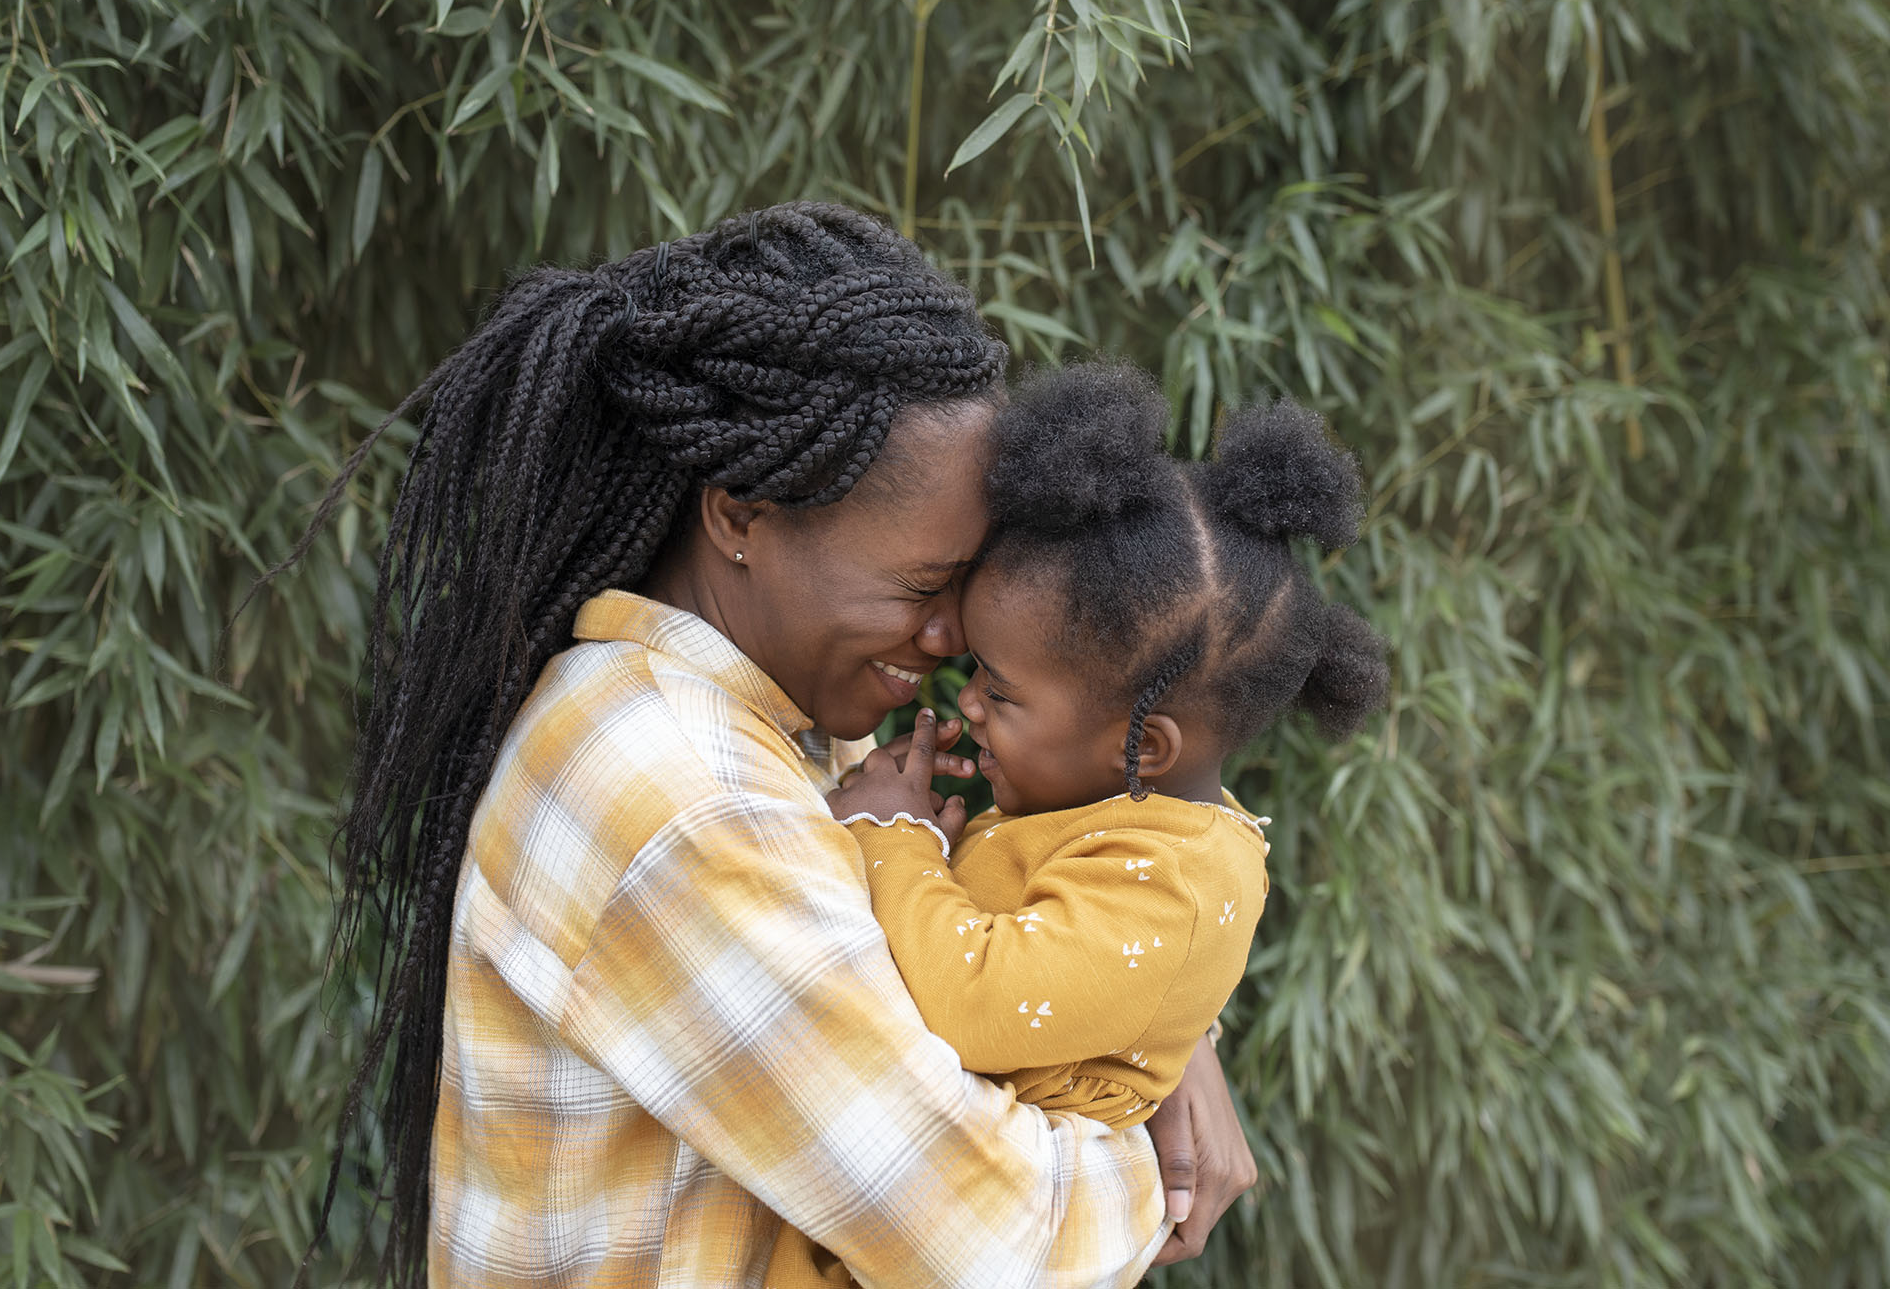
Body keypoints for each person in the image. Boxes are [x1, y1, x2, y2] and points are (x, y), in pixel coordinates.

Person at [269, 204, 1256, 1288]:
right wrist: (1142, 1127)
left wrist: (1163, 1037)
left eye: (963, 592)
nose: (951, 642)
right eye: (923, 589)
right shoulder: (680, 794)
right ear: (739, 515)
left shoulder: (770, 725)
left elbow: (977, 953)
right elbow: (988, 1243)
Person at [765, 364, 1389, 1287]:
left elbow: (970, 1003)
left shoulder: (1173, 880)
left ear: (1145, 746)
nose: (965, 700)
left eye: (1001, 690)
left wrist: (895, 841)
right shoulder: (1123, 827)